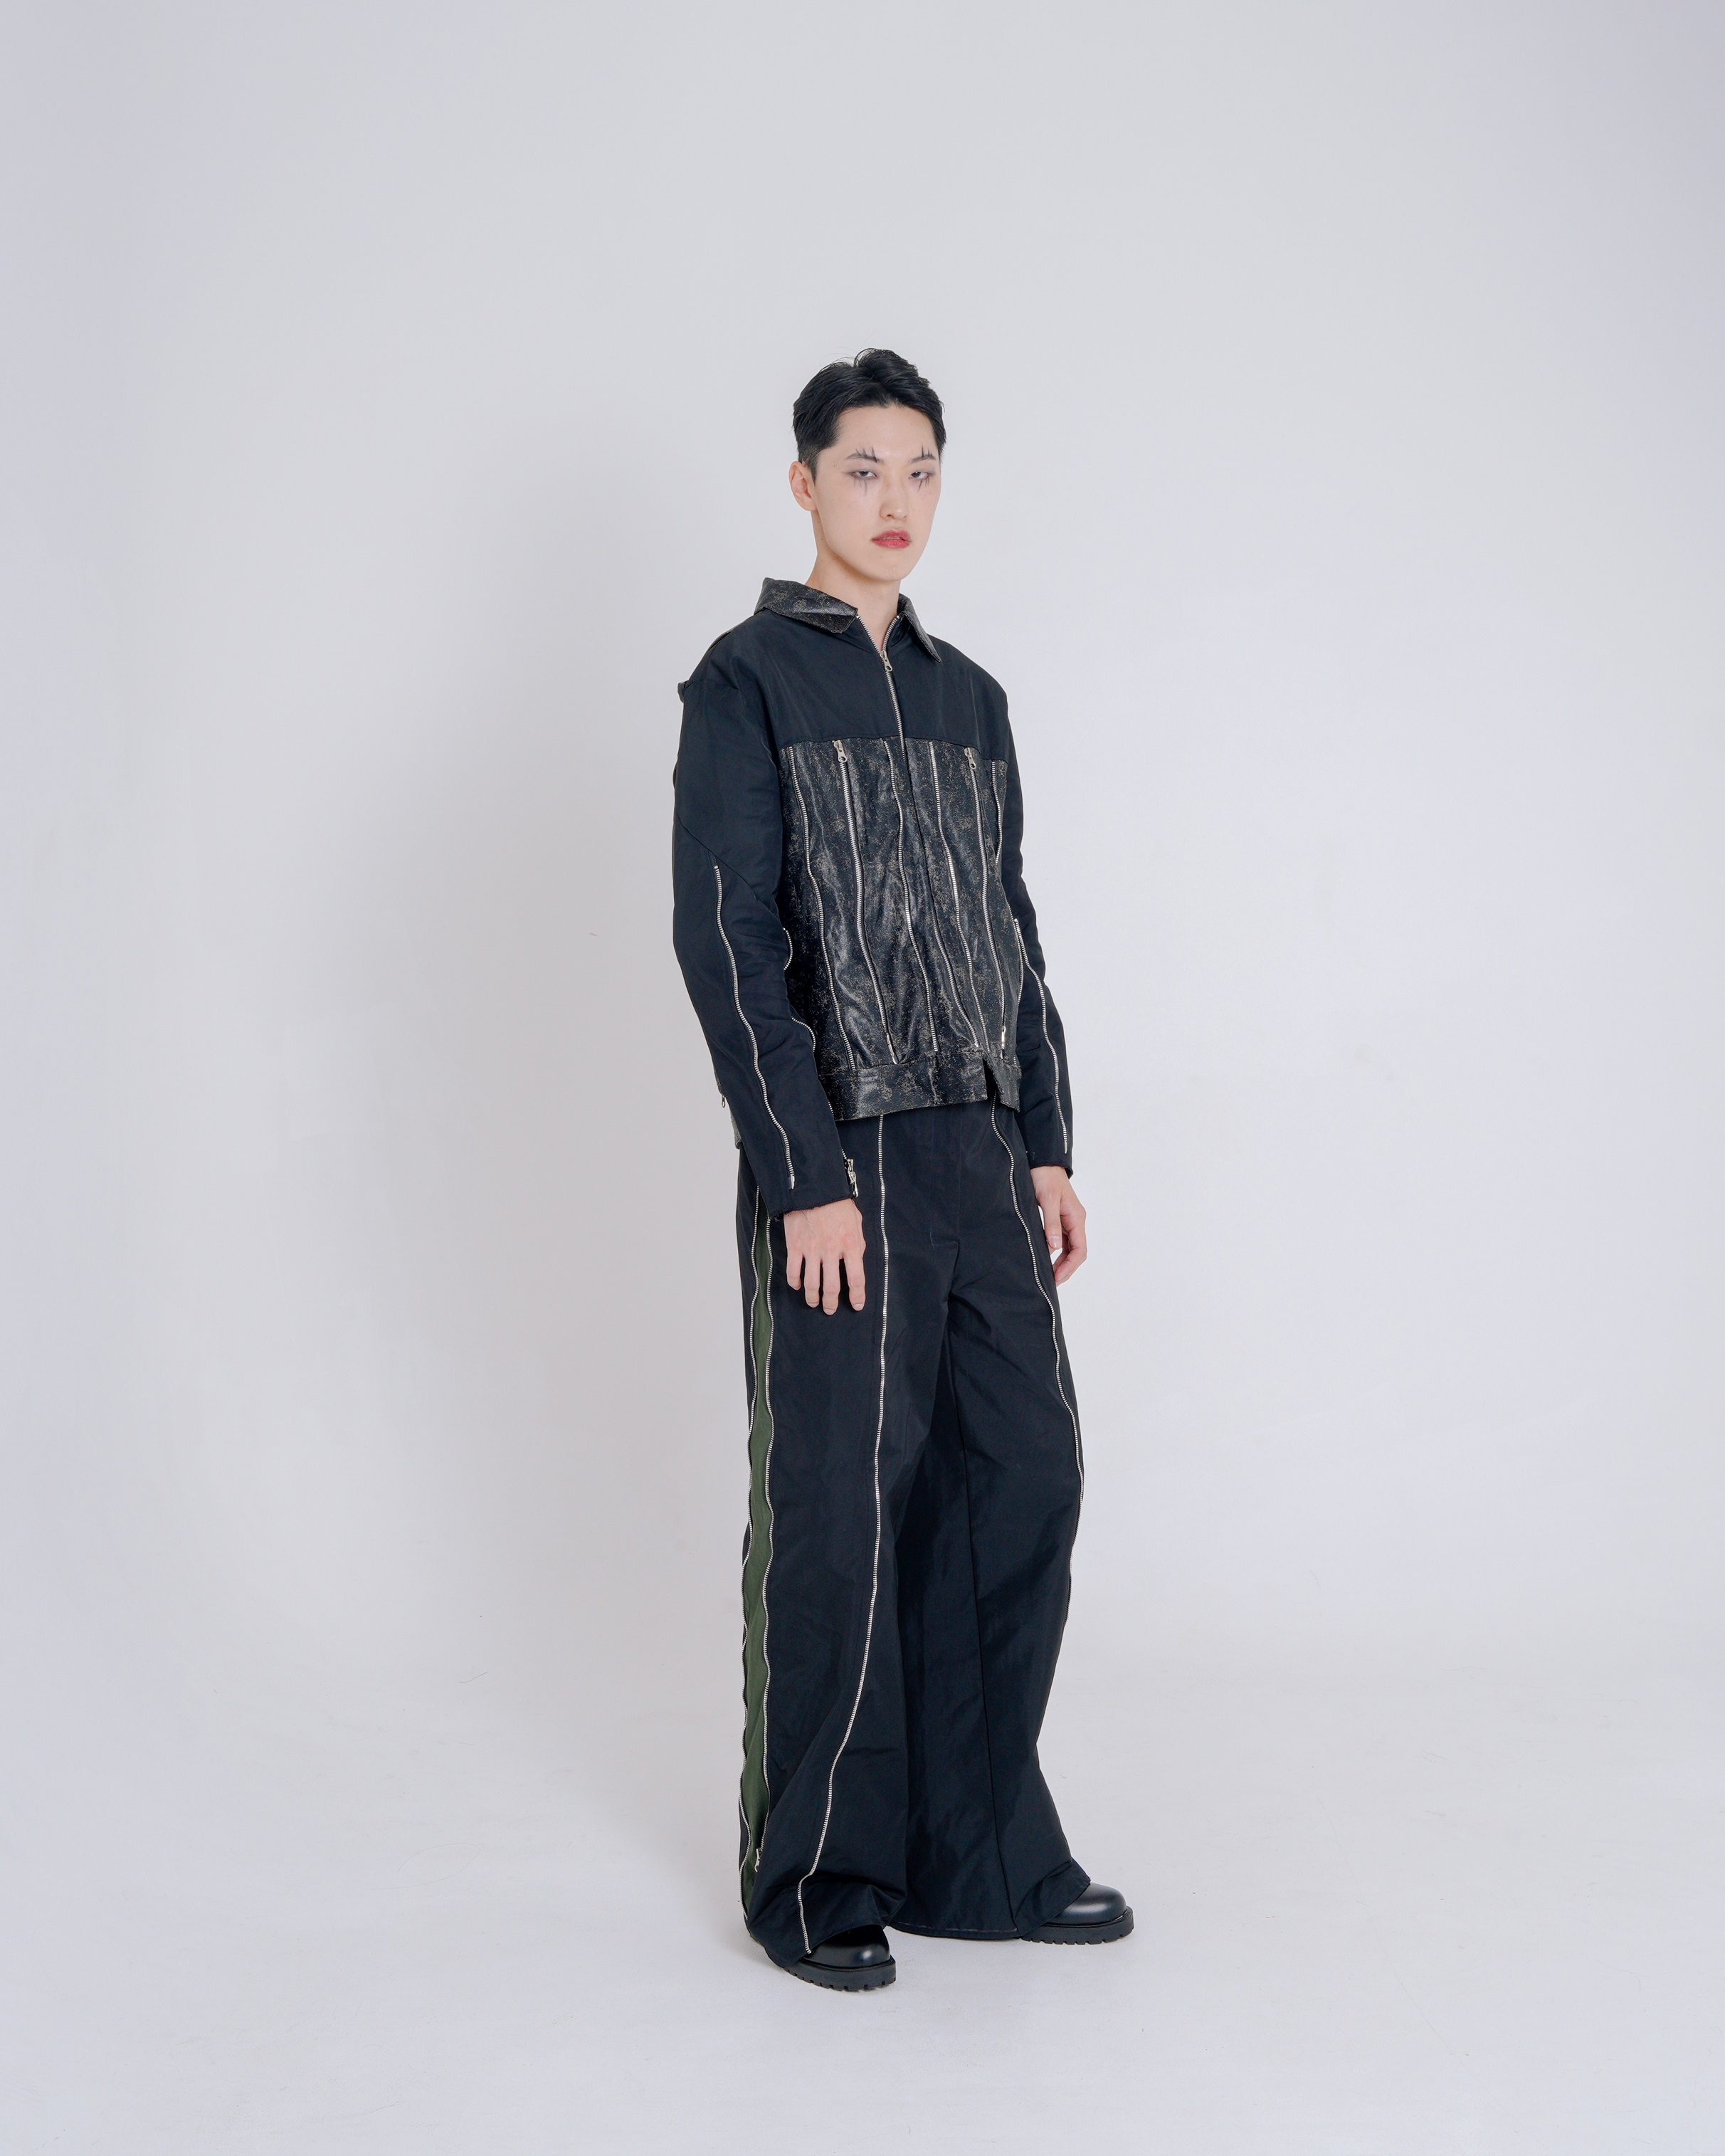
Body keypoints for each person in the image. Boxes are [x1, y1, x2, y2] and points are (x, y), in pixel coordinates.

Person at [671, 349, 1129, 1990]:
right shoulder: (746, 685)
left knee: (1024, 1477)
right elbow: (728, 942)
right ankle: (821, 1878)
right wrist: (802, 1169)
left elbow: (1012, 933)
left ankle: (981, 1856)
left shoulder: (970, 699)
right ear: (805, 483)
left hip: (981, 1151)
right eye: (864, 470)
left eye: (921, 471)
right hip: (844, 1158)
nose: (896, 503)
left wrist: (1047, 1144)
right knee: (842, 1513)